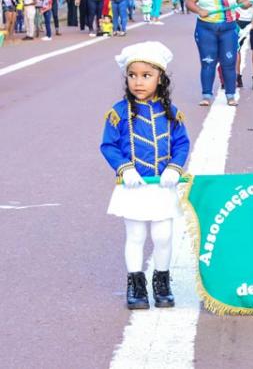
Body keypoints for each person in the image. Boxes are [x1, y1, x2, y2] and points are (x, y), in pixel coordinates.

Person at [100, 41, 190, 310]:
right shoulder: (118, 112)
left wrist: (175, 167)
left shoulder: (172, 113)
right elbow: (108, 145)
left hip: (162, 187)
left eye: (146, 76)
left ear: (161, 78)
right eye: (132, 75)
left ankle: (162, 282)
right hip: (134, 188)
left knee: (163, 236)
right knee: (136, 236)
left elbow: (182, 143)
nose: (138, 82)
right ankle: (136, 284)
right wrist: (124, 168)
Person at [186, 0, 250, 107]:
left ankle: (230, 95)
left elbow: (243, 1)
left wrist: (246, 3)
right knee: (208, 62)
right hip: (205, 29)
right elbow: (190, 2)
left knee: (229, 62)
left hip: (228, 29)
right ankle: (206, 95)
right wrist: (199, 10)